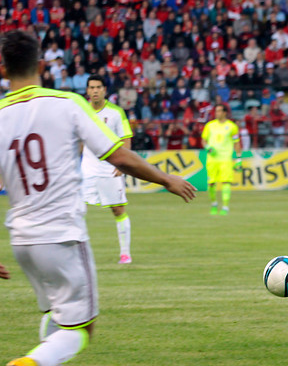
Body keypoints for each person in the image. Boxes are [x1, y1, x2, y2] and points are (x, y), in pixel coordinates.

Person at [0, 30, 196, 366]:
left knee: (58, 315)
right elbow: (117, 156)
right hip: (62, 237)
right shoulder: (67, 103)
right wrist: (166, 179)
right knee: (81, 331)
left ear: (3, 69)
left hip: (21, 241)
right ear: (42, 65)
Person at [81, 75, 135, 264]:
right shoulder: (81, 111)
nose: (95, 90)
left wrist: (123, 164)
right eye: (91, 87)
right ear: (87, 90)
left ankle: (125, 253)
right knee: (75, 210)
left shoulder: (116, 112)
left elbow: (125, 139)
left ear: (104, 90)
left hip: (109, 169)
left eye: (98, 87)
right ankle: (77, 256)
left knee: (118, 210)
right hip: (86, 169)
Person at [201, 103, 242, 215]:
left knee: (226, 182)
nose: (217, 113)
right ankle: (214, 204)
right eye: (216, 111)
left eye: (219, 111)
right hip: (212, 159)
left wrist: (238, 159)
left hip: (225, 159)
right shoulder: (210, 125)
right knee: (211, 184)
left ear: (225, 112)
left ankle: (225, 207)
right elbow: (204, 140)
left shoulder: (232, 126)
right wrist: (208, 147)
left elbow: (236, 143)